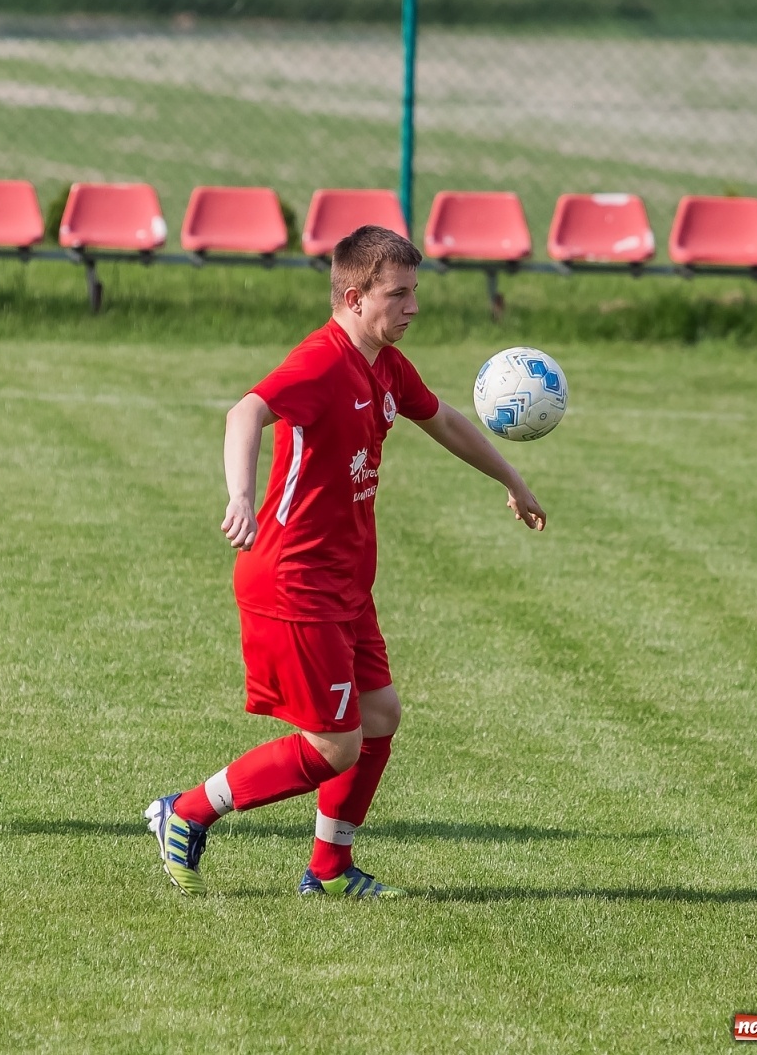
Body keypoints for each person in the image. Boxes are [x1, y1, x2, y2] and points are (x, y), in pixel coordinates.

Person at [145, 225, 546, 895]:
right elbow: (245, 412)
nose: (413, 306)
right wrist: (241, 494)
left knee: (380, 714)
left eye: (416, 291)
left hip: (345, 581)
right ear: (355, 296)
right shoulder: (321, 362)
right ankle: (183, 811)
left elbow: (443, 419)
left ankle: (329, 868)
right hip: (292, 578)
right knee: (335, 744)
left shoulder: (384, 363)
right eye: (399, 294)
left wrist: (513, 480)